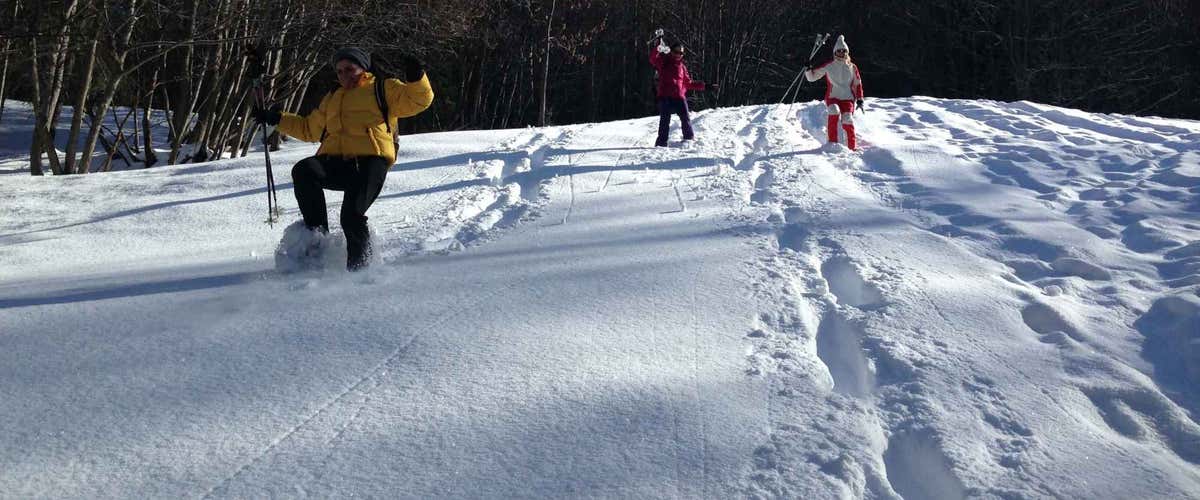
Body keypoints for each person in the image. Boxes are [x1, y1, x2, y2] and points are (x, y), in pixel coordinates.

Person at [253, 47, 434, 271]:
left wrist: (417, 78)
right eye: (339, 71)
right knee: (305, 169)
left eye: (350, 69)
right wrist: (276, 118)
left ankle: (360, 272)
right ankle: (318, 239)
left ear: (363, 68)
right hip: (338, 162)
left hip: (371, 162)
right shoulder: (333, 97)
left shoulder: (383, 88)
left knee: (351, 217)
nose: (344, 75)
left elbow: (418, 100)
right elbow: (309, 129)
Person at [647, 37, 715, 147]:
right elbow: (653, 59)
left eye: (681, 53)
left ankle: (688, 138)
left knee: (685, 118)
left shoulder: (682, 67)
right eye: (676, 52)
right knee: (664, 121)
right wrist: (657, 47)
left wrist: (706, 86)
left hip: (679, 97)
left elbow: (689, 83)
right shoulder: (664, 62)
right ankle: (661, 143)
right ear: (671, 51)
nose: (678, 55)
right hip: (665, 96)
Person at [805, 35, 864, 150]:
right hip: (833, 97)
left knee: (847, 118)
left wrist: (860, 99)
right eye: (839, 51)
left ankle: (852, 147)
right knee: (834, 111)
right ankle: (832, 143)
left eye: (844, 51)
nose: (841, 53)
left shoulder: (852, 67)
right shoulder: (829, 66)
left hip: (848, 98)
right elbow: (812, 77)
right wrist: (808, 69)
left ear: (847, 52)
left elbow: (857, 84)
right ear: (835, 52)